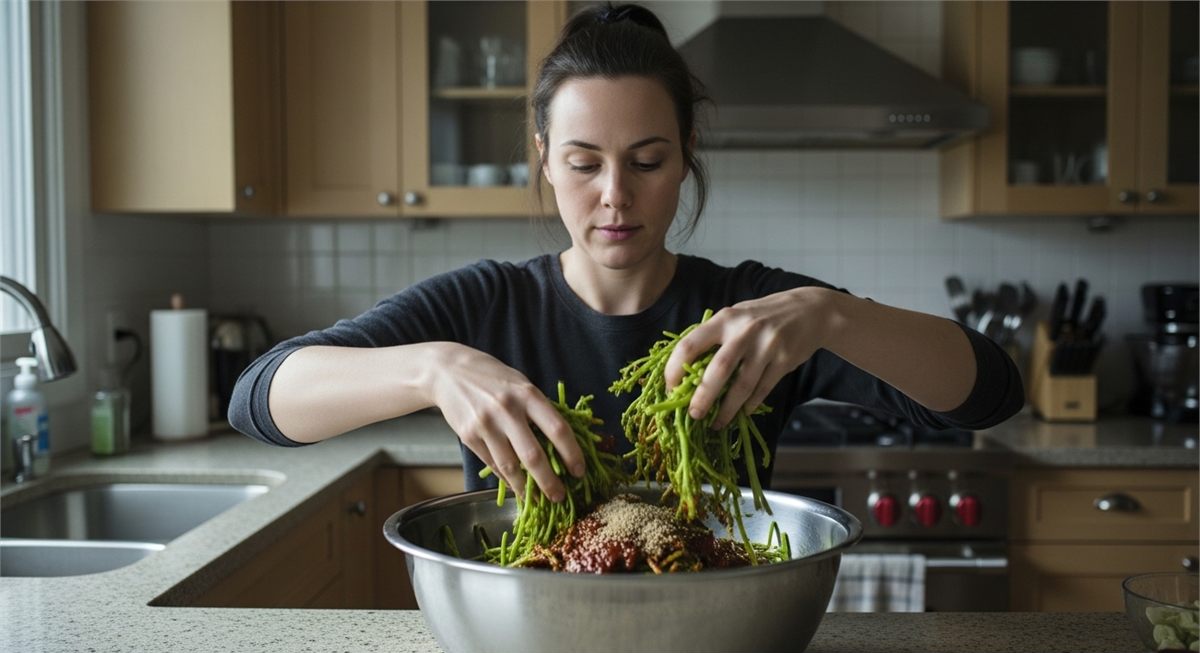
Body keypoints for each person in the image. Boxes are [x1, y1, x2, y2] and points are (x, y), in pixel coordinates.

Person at [230, 3, 1023, 503]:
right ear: (544, 159)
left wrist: (832, 314)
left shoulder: (753, 317)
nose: (615, 194)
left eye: (646, 161)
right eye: (584, 164)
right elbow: (258, 399)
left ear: (685, 155)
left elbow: (990, 393)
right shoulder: (483, 307)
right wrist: (430, 369)